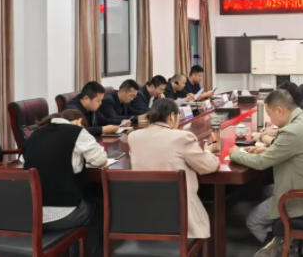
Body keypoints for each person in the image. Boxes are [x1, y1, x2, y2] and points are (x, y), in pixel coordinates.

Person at [229, 90, 303, 256]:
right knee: (267, 190)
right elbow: (293, 150)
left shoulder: (292, 131)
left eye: (269, 114)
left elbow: (261, 163)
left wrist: (235, 154)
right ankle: (284, 236)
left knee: (253, 221)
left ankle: (282, 248)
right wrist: (268, 150)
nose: (270, 120)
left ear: (280, 110)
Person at [128, 98, 219, 239]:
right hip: (179, 216)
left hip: (143, 214)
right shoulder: (182, 137)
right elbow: (209, 166)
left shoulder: (133, 137)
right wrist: (207, 151)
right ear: (172, 116)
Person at [22, 109, 107, 257]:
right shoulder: (77, 132)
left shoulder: (34, 134)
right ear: (79, 122)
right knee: (98, 206)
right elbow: (101, 160)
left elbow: (23, 161)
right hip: (63, 216)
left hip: (30, 215)